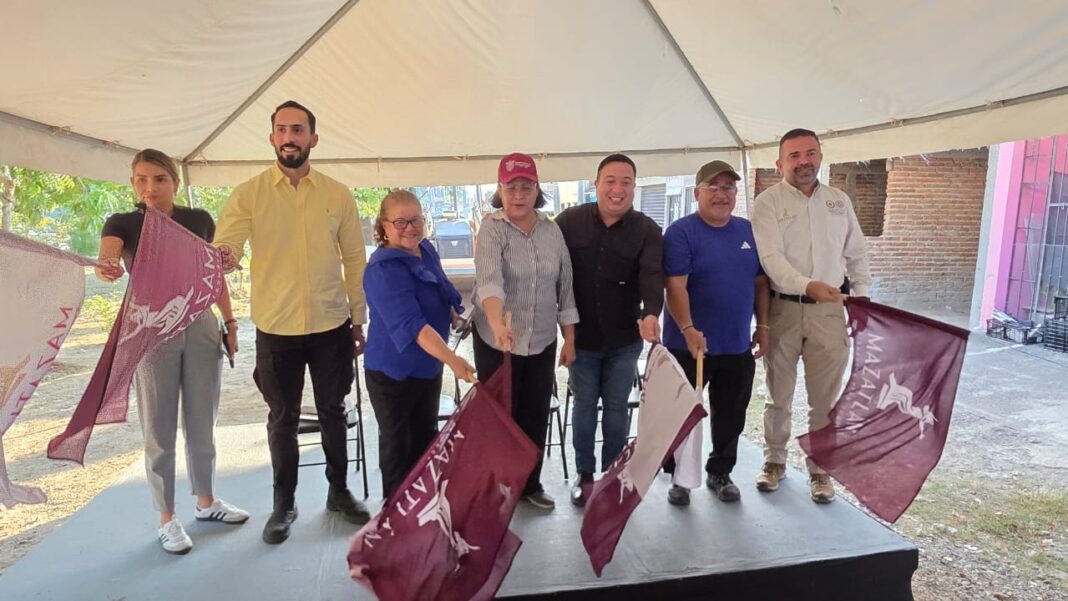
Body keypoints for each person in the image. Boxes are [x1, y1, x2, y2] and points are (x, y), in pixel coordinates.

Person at [214, 100, 371, 544]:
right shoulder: (249, 194)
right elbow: (227, 246)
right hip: (275, 328)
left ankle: (339, 492)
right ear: (272, 138)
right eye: (282, 129)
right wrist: (225, 256)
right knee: (281, 418)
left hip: (330, 325)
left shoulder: (337, 194)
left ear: (312, 139)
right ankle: (284, 504)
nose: (289, 137)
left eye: (298, 130)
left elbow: (354, 259)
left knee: (333, 411)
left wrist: (358, 318)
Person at [95, 149, 248, 555]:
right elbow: (106, 260)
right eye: (141, 179)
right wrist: (106, 267)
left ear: (175, 183)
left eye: (160, 179)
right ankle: (167, 518)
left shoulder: (198, 220)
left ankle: (206, 501)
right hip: (151, 331)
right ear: (133, 183)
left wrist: (230, 322)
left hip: (200, 325)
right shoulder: (122, 223)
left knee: (202, 420)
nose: (150, 187)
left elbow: (212, 275)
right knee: (159, 429)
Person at [751, 128, 871, 504]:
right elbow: (771, 260)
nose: (804, 162)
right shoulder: (767, 203)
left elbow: (857, 254)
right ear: (780, 163)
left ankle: (820, 470)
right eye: (794, 156)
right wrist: (807, 286)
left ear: (820, 156)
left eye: (810, 154)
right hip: (784, 309)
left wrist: (862, 300)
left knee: (826, 400)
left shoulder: (838, 201)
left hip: (830, 313)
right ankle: (774, 461)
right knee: (779, 395)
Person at [555, 153, 663, 507]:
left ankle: (613, 476)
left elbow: (652, 276)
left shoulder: (646, 229)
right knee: (584, 406)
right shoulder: (568, 222)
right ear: (596, 184)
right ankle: (584, 476)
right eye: (610, 181)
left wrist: (651, 313)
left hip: (624, 341)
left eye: (626, 182)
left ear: (634, 187)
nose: (618, 189)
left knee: (617, 409)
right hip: (580, 339)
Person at [472, 152, 579, 510]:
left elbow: (565, 287)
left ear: (537, 189)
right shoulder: (493, 228)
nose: (518, 195)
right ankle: (496, 485)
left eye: (526, 187)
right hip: (498, 341)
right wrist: (497, 322)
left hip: (542, 338)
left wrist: (569, 339)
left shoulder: (552, 231)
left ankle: (529, 483)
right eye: (511, 187)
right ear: (499, 190)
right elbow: (489, 281)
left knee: (534, 412)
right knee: (500, 416)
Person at [661, 160, 769, 506]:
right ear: (697, 193)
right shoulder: (681, 232)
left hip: (735, 345)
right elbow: (675, 287)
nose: (721, 194)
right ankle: (680, 478)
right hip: (688, 346)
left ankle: (720, 472)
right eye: (713, 187)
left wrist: (763, 325)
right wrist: (688, 328)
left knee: (731, 415)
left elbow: (760, 283)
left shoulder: (749, 232)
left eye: (728, 187)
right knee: (681, 415)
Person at [363, 190, 477, 499]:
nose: (410, 228)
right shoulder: (382, 270)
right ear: (383, 226)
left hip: (427, 368)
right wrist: (453, 360)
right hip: (393, 374)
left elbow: (438, 288)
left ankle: (424, 510)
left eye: (416, 220)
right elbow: (413, 327)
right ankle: (394, 516)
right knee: (398, 449)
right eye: (400, 222)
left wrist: (454, 316)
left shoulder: (425, 249)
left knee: (426, 442)